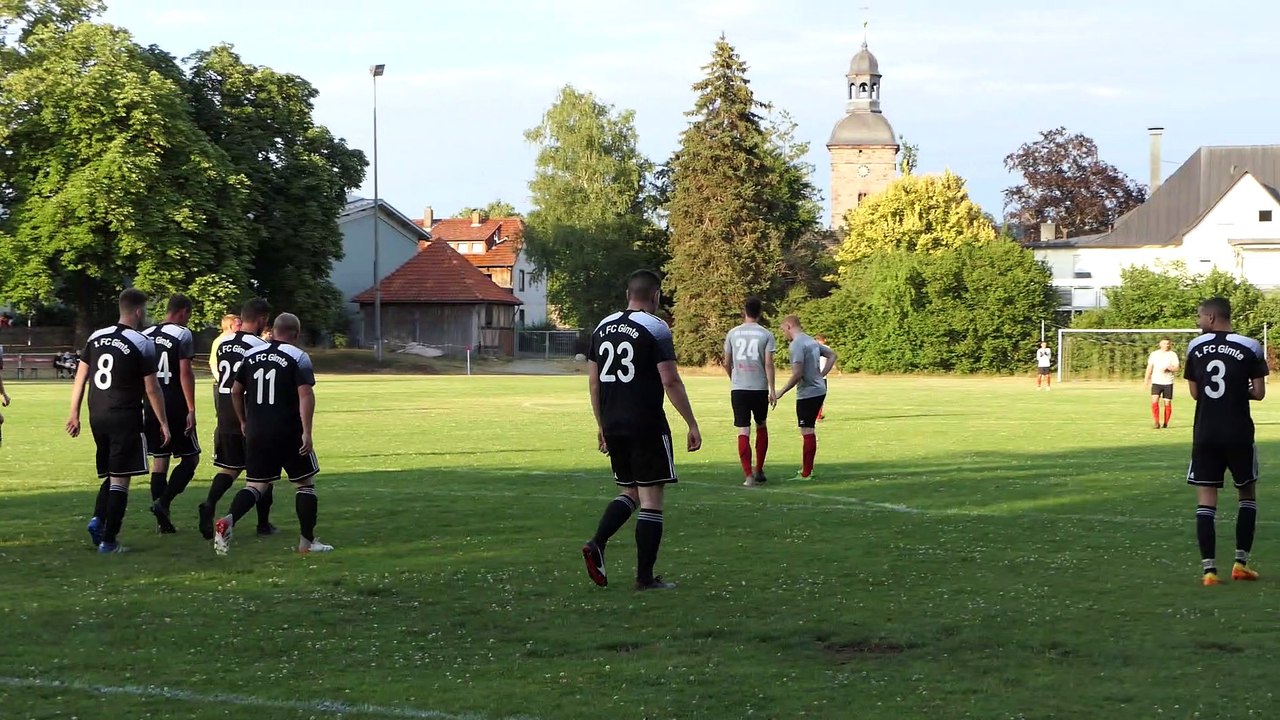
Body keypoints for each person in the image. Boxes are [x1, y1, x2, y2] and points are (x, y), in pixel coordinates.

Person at [581, 270, 701, 591]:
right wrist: (691, 422)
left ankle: (597, 542)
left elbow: (593, 382)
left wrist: (601, 424)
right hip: (645, 422)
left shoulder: (601, 327)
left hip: (613, 422)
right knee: (651, 499)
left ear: (627, 293)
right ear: (656, 296)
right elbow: (670, 379)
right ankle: (645, 579)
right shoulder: (655, 327)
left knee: (630, 492)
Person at [214, 313, 331, 555]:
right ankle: (306, 544)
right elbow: (305, 395)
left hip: (257, 430)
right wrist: (307, 432)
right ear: (296, 335)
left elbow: (235, 391)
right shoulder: (297, 356)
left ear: (273, 331)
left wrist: (244, 421)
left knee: (256, 485)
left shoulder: (251, 354)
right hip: (288, 431)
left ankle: (228, 520)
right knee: (305, 485)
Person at [66, 289, 170, 553]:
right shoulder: (142, 341)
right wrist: (163, 422)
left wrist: (73, 413)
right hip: (124, 415)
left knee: (112, 472)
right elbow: (152, 388)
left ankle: (97, 519)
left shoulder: (96, 337)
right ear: (138, 311)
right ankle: (109, 541)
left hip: (96, 415)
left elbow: (81, 377)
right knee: (120, 479)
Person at [1184, 297, 1268, 586]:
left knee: (1206, 501)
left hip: (1205, 433)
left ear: (1210, 317)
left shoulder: (1196, 347)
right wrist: (1237, 390)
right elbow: (1258, 393)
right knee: (1247, 495)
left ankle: (1209, 571)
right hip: (1238, 433)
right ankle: (1240, 564)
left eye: (1199, 317)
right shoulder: (1251, 346)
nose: (1198, 322)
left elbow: (1196, 393)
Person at [199, 299, 276, 539]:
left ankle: (210, 502)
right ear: (262, 319)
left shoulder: (224, 343)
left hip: (223, 409)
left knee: (229, 467)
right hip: (246, 411)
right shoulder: (258, 345)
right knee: (263, 473)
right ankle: (263, 524)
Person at [141, 294, 201, 533]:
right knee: (191, 458)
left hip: (151, 402)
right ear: (184, 312)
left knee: (160, 460)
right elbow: (185, 372)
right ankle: (163, 503)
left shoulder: (145, 335)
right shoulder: (182, 334)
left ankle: (162, 523)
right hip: (174, 402)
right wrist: (191, 408)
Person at [722, 297, 776, 488]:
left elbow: (727, 363)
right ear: (760, 312)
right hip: (759, 387)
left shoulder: (733, 333)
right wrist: (772, 389)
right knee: (761, 425)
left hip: (739, 388)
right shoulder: (766, 334)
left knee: (743, 429)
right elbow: (768, 364)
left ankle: (748, 476)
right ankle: (759, 469)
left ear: (744, 311)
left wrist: (733, 377)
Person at [776, 316, 836, 481]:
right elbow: (832, 355)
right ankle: (807, 469)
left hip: (808, 393)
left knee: (807, 430)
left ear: (789, 326)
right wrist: (821, 375)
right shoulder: (810, 341)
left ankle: (806, 473)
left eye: (783, 329)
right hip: (819, 389)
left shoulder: (796, 344)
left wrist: (780, 392)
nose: (783, 334)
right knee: (809, 428)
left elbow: (797, 374)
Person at [1144, 338, 1181, 429]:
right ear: (1160, 344)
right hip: (1156, 381)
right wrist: (1146, 380)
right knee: (1154, 400)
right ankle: (1156, 422)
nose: (1166, 345)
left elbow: (1177, 368)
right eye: (1164, 343)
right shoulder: (1154, 354)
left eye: (1168, 344)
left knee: (1167, 403)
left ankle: (1166, 423)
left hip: (1168, 382)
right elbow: (1149, 367)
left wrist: (1169, 368)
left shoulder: (1172, 355)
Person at [815, 334, 831, 421]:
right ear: (824, 340)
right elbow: (831, 359)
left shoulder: (811, 348)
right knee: (821, 396)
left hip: (812, 375)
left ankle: (813, 414)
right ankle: (818, 415)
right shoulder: (826, 348)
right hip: (822, 376)